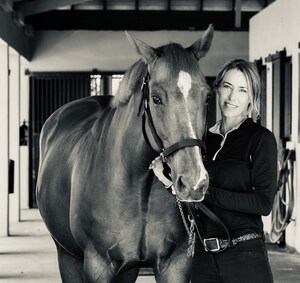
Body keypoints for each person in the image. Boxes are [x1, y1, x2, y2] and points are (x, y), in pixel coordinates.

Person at [190, 59, 277, 283]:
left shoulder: (260, 138)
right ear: (217, 89)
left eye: (242, 90)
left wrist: (209, 194)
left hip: (245, 254)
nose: (232, 97)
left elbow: (263, 203)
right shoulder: (201, 140)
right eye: (227, 86)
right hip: (204, 258)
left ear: (251, 97)